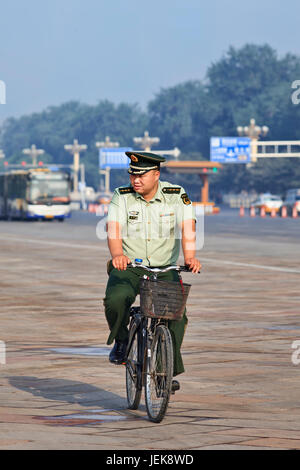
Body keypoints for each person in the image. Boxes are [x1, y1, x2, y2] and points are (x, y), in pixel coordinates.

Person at [104, 151, 201, 393]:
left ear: (156, 175)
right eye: (132, 175)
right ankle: (122, 340)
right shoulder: (122, 196)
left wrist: (190, 257)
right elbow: (114, 229)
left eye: (141, 175)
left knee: (178, 318)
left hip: (164, 269)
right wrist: (117, 255)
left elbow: (188, 228)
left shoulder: (176, 195)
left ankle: (163, 371)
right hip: (130, 268)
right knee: (115, 300)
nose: (135, 180)